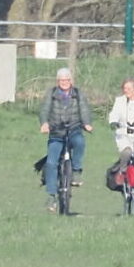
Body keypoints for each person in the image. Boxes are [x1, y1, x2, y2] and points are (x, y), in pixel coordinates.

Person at [38, 65, 90, 211]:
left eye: (67, 80)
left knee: (79, 142)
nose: (64, 82)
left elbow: (84, 109)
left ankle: (76, 171)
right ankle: (51, 196)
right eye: (61, 80)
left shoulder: (78, 94)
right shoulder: (51, 94)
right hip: (56, 132)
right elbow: (44, 109)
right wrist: (44, 123)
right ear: (57, 81)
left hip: (74, 128)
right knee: (51, 163)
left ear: (71, 81)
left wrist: (87, 123)